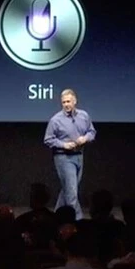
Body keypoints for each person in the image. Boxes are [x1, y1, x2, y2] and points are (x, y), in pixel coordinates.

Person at [44, 89, 96, 220]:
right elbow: (48, 139)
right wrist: (63, 145)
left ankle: (56, 217)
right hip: (63, 157)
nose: (66, 104)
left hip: (79, 155)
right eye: (64, 102)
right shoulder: (56, 120)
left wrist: (85, 138)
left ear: (75, 101)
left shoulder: (84, 116)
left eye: (68, 101)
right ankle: (77, 220)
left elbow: (92, 132)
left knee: (68, 189)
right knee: (72, 192)